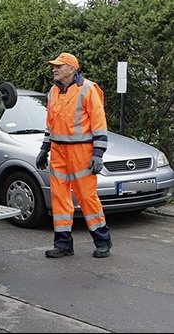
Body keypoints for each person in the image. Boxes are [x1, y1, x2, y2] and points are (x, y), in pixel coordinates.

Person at [36, 52, 112, 258]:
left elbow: (99, 123)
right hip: (58, 151)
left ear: (72, 68)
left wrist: (98, 154)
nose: (54, 69)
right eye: (54, 66)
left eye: (59, 66)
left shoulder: (88, 89)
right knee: (59, 199)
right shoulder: (53, 91)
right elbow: (50, 125)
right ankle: (63, 245)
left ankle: (102, 241)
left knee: (87, 197)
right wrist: (44, 149)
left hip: (82, 151)